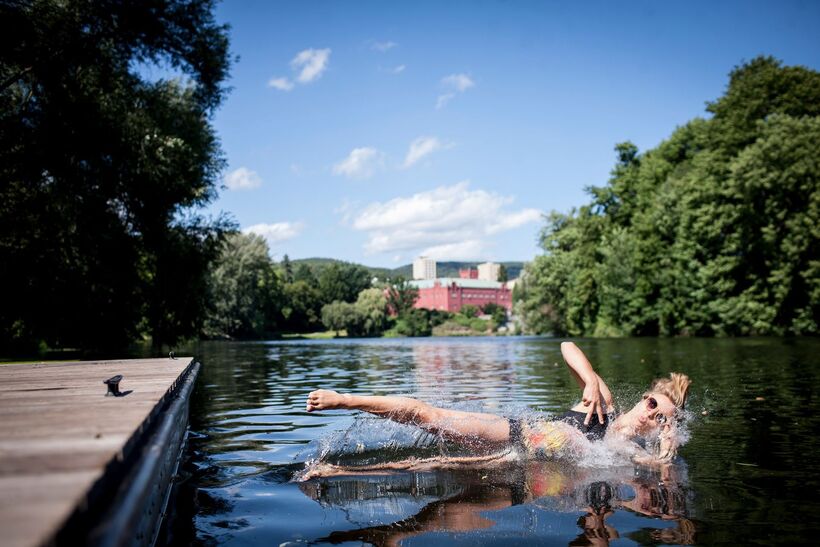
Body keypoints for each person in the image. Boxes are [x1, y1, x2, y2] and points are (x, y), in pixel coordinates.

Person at [306, 341, 691, 465]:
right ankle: (345, 399)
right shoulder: (602, 405)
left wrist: (666, 457)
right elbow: (566, 346)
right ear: (645, 397)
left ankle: (333, 475)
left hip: (523, 470)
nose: (653, 415)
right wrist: (591, 377)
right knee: (430, 416)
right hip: (513, 432)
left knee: (431, 465)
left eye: (663, 420)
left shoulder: (632, 451)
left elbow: (658, 468)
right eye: (654, 404)